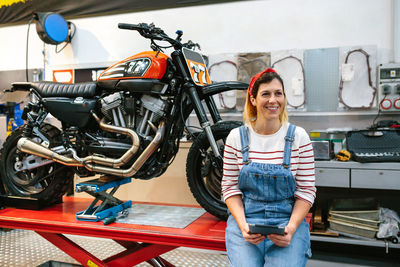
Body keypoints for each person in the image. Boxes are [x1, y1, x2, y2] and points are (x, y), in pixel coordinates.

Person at [222, 68, 316, 267]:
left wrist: (290, 228)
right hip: (247, 218)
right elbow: (230, 188)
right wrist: (243, 226)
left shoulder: (299, 137)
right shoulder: (236, 137)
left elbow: (306, 191)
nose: (273, 100)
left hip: (287, 218)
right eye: (266, 94)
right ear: (253, 100)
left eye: (278, 93)